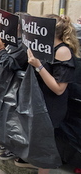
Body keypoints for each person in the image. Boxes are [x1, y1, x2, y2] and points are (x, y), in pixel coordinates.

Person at [27, 14, 79, 174]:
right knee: (40, 146)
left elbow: (59, 88)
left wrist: (38, 66)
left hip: (52, 106)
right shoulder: (47, 48)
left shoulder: (62, 51)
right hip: (42, 103)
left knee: (44, 149)